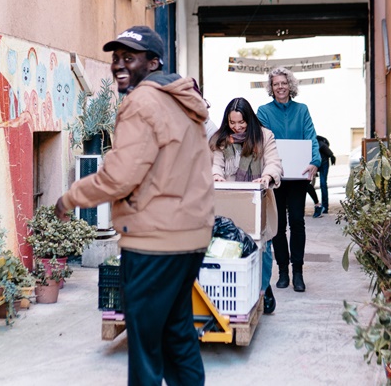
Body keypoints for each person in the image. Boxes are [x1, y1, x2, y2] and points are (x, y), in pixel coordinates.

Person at [56, 26, 215, 386]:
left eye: (130, 58)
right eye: (116, 58)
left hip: (153, 240)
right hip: (190, 235)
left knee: (144, 345)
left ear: (153, 62)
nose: (118, 65)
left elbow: (119, 177)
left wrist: (70, 198)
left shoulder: (141, 103)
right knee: (177, 334)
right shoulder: (182, 101)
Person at [210, 97, 282, 315]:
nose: (237, 127)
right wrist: (216, 176)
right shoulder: (220, 140)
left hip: (257, 201)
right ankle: (237, 293)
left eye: (241, 122)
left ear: (249, 119)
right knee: (231, 248)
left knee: (263, 249)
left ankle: (262, 289)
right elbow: (215, 165)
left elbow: (273, 162)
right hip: (229, 202)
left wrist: (267, 177)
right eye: (232, 123)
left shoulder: (264, 136)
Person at [257, 67, 321, 293]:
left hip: (298, 175)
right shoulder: (263, 112)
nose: (280, 87)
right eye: (276, 84)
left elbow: (311, 136)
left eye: (284, 83)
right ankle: (282, 271)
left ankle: (298, 272)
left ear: (290, 85)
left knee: (297, 221)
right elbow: (261, 139)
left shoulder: (302, 110)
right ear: (271, 88)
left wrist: (315, 161)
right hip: (276, 176)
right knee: (278, 225)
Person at [312, 135, 336, 216]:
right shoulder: (311, 143)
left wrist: (332, 156)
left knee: (323, 183)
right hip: (317, 164)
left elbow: (329, 152)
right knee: (310, 185)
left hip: (324, 164)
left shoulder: (319, 143)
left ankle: (325, 206)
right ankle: (321, 205)